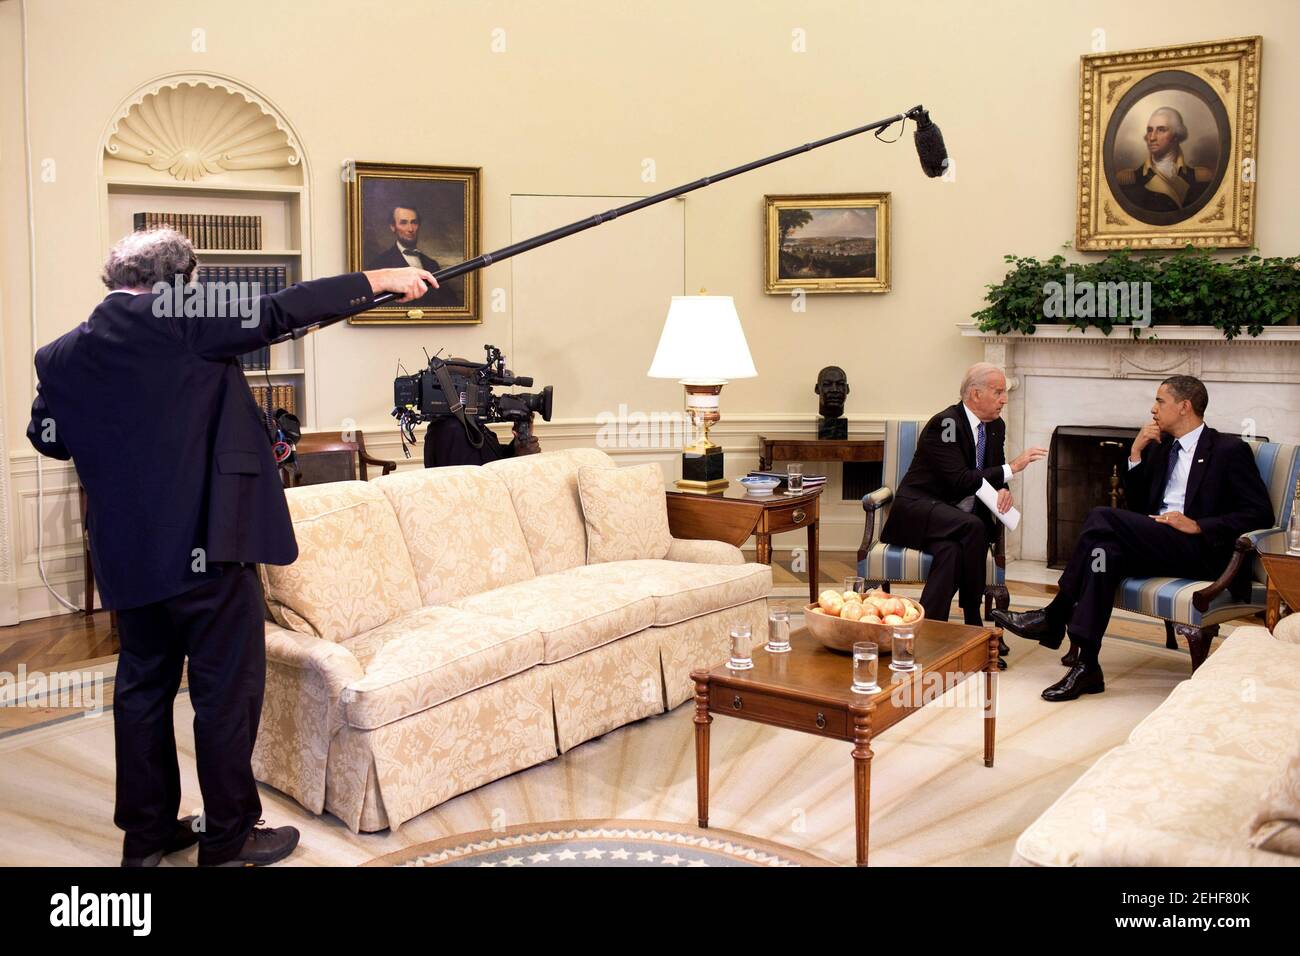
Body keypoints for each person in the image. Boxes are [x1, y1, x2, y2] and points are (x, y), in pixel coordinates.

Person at [27, 227, 437, 866]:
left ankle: (147, 838)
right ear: (179, 282)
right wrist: (379, 281)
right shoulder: (180, 319)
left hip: (127, 559)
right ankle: (229, 837)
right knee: (224, 693)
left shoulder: (58, 357)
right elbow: (281, 310)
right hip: (205, 551)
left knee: (142, 690)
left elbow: (48, 436)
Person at [993, 375, 1274, 702]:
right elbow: (1139, 508)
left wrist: (1198, 525)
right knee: (1103, 554)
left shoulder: (1228, 450)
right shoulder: (1163, 448)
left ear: (1184, 407)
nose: (1153, 409)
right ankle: (1087, 666)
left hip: (1202, 552)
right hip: (1161, 542)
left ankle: (1054, 616)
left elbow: (1259, 514)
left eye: (1160, 401)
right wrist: (1137, 453)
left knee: (1100, 515)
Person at [879, 363, 1046, 667]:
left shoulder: (996, 426)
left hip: (952, 525)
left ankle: (926, 633)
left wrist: (1003, 488)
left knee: (953, 551)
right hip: (918, 510)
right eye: (998, 392)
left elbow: (989, 474)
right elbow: (959, 479)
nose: (1003, 399)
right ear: (975, 393)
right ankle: (974, 623)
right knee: (973, 527)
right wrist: (1014, 467)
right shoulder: (945, 424)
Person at [1116, 107, 1213, 215]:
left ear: (1176, 136)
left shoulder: (1201, 178)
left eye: (1161, 130)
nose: (1152, 137)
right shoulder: (1129, 180)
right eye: (1149, 130)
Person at [363, 203, 463, 307]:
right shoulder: (380, 263)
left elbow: (451, 302)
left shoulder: (432, 264)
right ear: (393, 227)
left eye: (414, 222)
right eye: (403, 223)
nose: (410, 229)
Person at [423, 414, 541, 467]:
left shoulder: (465, 424)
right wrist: (518, 459)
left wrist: (517, 446)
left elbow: (491, 457)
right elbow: (478, 484)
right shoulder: (452, 430)